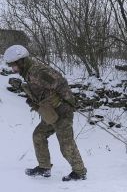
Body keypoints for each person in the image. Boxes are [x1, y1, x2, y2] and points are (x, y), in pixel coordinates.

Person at [3, 45, 87, 181]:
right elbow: (40, 91)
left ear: (21, 61)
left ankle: (79, 172)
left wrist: (68, 104)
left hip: (62, 110)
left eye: (14, 65)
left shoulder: (37, 71)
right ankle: (44, 167)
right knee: (38, 135)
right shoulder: (28, 73)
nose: (13, 69)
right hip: (50, 112)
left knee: (66, 143)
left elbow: (60, 83)